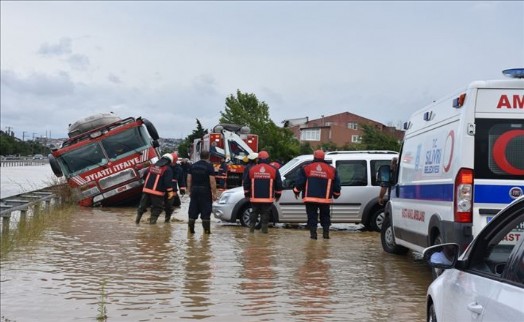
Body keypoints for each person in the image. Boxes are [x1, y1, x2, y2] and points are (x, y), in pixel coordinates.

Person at [293, 150, 341, 239]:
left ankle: (313, 236)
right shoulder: (332, 170)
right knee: (325, 216)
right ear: (323, 157)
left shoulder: (306, 168)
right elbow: (336, 185)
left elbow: (300, 183)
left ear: (314, 157)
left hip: (310, 199)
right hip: (325, 200)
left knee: (312, 217)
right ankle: (326, 236)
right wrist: (336, 194)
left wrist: (296, 191)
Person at [242, 150, 282, 233]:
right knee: (265, 215)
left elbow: (246, 183)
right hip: (267, 199)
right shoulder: (274, 170)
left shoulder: (252, 169)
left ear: (258, 159)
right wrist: (278, 195)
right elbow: (279, 184)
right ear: (268, 159)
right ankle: (264, 233)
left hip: (254, 198)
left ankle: (251, 231)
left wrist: (247, 195)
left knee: (254, 213)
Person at [135, 153, 175, 224]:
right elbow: (167, 183)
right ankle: (152, 224)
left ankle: (137, 221)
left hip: (146, 191)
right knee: (157, 208)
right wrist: (170, 192)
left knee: (142, 206)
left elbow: (144, 176)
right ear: (169, 161)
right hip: (157, 193)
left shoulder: (151, 166)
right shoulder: (167, 169)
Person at [187, 150, 218, 234]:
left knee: (193, 209)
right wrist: (214, 194)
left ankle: (191, 231)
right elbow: (212, 181)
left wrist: (189, 191)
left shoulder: (193, 166)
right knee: (206, 211)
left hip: (194, 190)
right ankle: (206, 233)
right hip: (205, 191)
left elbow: (189, 179)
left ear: (200, 156)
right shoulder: (209, 166)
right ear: (208, 156)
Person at [164, 152, 185, 223]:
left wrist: (182, 189)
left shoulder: (178, 169)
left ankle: (168, 218)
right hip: (165, 189)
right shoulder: (165, 167)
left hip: (173, 190)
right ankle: (167, 218)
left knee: (175, 204)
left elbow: (181, 180)